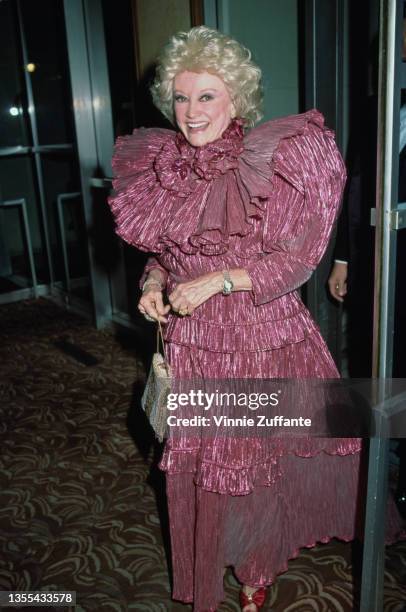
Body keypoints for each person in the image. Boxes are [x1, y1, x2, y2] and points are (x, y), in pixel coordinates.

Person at [108, 26, 404, 612]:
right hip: (193, 343)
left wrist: (219, 280)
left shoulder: (273, 160)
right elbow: (163, 251)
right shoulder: (165, 165)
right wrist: (152, 284)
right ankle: (219, 555)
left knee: (256, 467)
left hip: (259, 339)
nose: (191, 112)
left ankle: (256, 574)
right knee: (201, 466)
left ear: (236, 99)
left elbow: (296, 261)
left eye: (207, 96)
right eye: (183, 97)